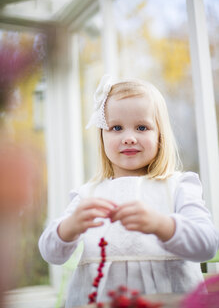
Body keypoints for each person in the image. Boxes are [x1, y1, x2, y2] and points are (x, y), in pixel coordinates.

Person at [39, 75, 219, 307]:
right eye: (116, 128)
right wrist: (69, 227)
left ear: (160, 136)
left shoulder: (179, 186)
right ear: (102, 136)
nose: (129, 138)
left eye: (142, 127)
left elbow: (207, 244)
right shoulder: (88, 195)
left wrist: (162, 225)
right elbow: (51, 253)